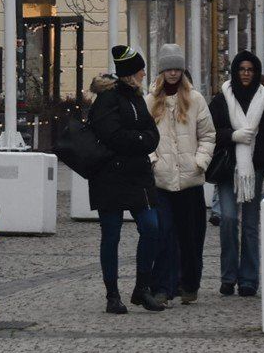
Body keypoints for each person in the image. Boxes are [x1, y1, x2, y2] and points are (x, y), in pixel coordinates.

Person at [207, 50, 264, 297]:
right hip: (227, 170)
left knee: (251, 226)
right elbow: (210, 133)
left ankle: (249, 279)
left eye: (250, 70)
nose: (245, 74)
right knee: (229, 220)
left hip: (257, 169)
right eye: (242, 69)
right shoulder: (221, 100)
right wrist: (232, 136)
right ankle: (228, 275)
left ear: (256, 73)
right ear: (234, 72)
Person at [89, 45, 164, 313]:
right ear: (131, 73)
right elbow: (113, 136)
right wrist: (141, 140)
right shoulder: (107, 100)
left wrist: (141, 140)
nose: (145, 73)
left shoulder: (136, 98)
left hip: (138, 175)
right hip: (110, 176)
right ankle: (112, 294)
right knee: (111, 235)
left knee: (151, 227)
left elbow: (152, 132)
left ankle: (142, 288)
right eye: (141, 69)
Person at [148, 44, 214, 305]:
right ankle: (163, 287)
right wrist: (153, 160)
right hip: (162, 180)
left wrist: (200, 161)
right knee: (164, 235)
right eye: (168, 69)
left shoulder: (195, 99)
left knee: (191, 237)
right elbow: (146, 138)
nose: (173, 73)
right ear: (162, 72)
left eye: (177, 68)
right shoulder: (151, 101)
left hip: (190, 180)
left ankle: (189, 283)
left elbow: (208, 135)